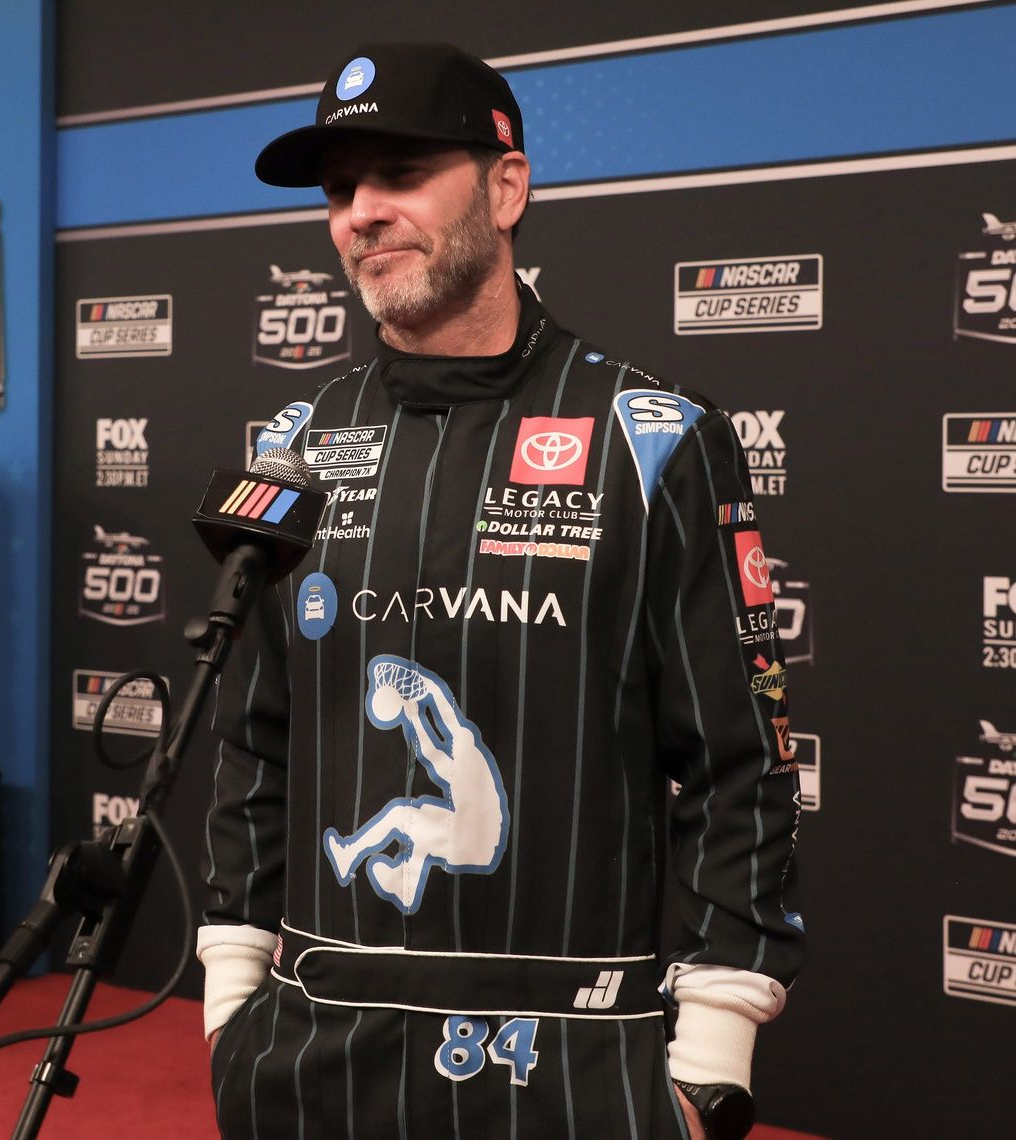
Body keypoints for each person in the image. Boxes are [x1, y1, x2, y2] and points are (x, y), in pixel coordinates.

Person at [197, 41, 803, 1140]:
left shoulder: (653, 436)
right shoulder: (295, 445)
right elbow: (253, 741)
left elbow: (740, 764)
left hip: (576, 1058)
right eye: (340, 191)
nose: (362, 214)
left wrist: (713, 1055)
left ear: (508, 185)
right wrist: (232, 999)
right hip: (312, 1050)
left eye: (400, 175)